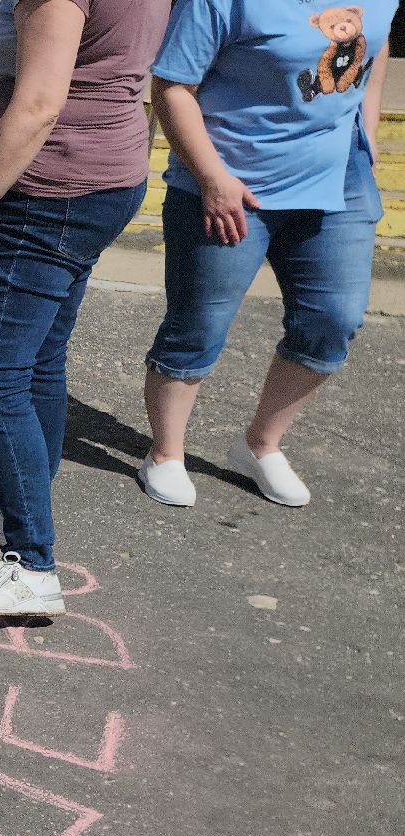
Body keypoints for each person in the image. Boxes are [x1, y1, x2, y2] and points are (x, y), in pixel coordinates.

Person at [0, 0, 168, 618]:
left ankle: (31, 563)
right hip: (108, 174)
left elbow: (38, 105)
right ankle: (18, 508)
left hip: (51, 192)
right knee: (39, 358)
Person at [135, 0, 391, 509]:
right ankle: (165, 454)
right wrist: (211, 176)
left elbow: (370, 48)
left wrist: (369, 123)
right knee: (198, 325)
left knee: (332, 321)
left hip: (339, 180)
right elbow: (171, 87)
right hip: (231, 184)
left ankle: (260, 446)